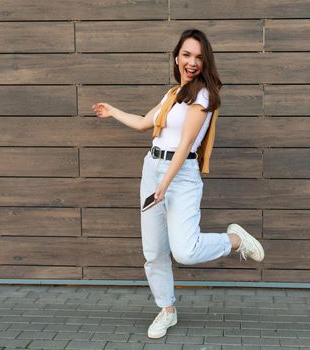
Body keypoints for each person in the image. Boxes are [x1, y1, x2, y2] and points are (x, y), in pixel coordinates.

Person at [92, 29, 265, 339]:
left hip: (180, 175)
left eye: (199, 57)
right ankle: (167, 310)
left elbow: (186, 144)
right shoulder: (172, 94)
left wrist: (164, 185)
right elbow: (145, 123)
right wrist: (113, 111)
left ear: (205, 61)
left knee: (184, 250)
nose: (192, 62)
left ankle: (234, 240)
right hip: (152, 167)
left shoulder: (204, 95)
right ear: (177, 57)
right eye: (187, 55)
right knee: (154, 250)